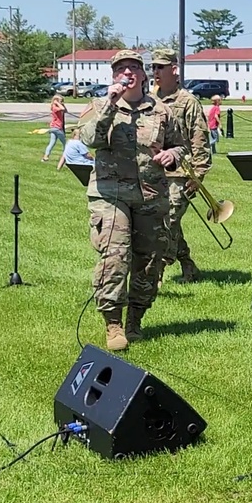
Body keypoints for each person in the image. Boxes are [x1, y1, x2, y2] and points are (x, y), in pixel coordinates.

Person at [78, 49, 190, 351]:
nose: (127, 73)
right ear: (114, 76)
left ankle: (135, 320)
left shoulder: (162, 111)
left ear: (143, 74)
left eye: (133, 68)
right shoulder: (100, 105)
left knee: (149, 260)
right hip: (110, 195)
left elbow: (181, 145)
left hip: (151, 195)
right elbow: (89, 139)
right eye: (121, 69)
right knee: (115, 255)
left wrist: (172, 155)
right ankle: (113, 324)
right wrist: (110, 104)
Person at [152, 48, 212, 284]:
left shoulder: (188, 101)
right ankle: (188, 265)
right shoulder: (150, 100)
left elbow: (199, 138)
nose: (156, 72)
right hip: (153, 173)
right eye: (153, 67)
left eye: (161, 67)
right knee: (162, 222)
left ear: (173, 70)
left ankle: (156, 272)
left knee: (170, 221)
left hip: (180, 173)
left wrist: (198, 174)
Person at [42, 94, 67, 161]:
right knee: (65, 143)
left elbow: (65, 110)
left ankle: (46, 157)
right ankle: (65, 157)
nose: (62, 102)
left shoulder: (58, 107)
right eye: (60, 101)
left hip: (55, 128)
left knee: (52, 143)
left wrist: (62, 104)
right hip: (56, 127)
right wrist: (56, 103)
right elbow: (62, 109)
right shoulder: (55, 107)